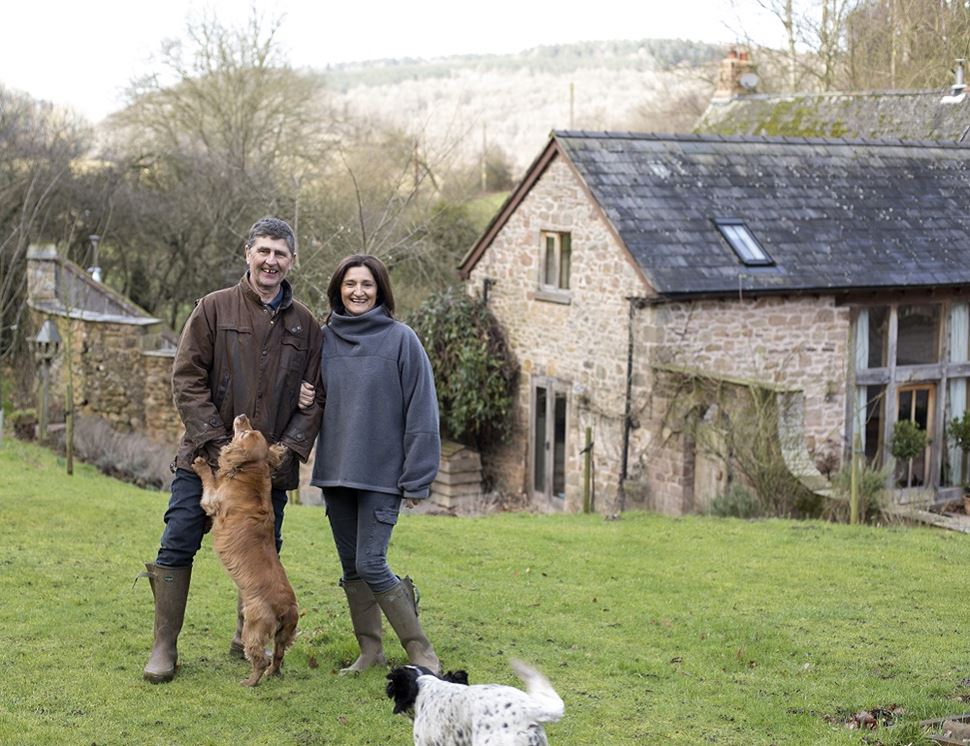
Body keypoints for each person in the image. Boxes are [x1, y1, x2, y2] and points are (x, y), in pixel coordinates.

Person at [142, 216, 324, 684]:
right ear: (248, 253)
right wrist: (223, 448)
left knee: (265, 553)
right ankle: (164, 645)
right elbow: (187, 379)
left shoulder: (306, 325)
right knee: (178, 539)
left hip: (265, 476)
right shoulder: (213, 309)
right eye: (263, 250)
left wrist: (282, 452)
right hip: (204, 456)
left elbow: (316, 396)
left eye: (280, 253)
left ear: (291, 261)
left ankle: (247, 632)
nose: (270, 260)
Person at [310, 254, 441, 675]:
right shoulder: (324, 339)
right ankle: (370, 651)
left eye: (366, 284)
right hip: (336, 472)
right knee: (351, 568)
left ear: (380, 290)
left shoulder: (402, 340)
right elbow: (314, 396)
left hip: (383, 476)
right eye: (350, 284)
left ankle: (420, 650)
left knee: (371, 563)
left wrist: (417, 477)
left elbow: (423, 410)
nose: (358, 292)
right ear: (338, 289)